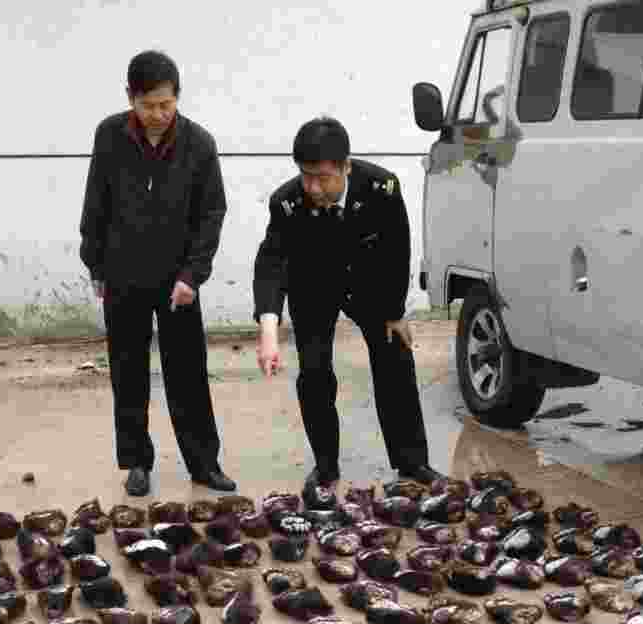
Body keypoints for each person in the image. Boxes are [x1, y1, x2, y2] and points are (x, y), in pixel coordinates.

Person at [252, 117, 447, 490]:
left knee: (395, 356)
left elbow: (396, 248)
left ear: (346, 166)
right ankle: (326, 464)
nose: (312, 187)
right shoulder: (287, 203)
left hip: (368, 286)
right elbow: (271, 264)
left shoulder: (382, 188)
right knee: (314, 373)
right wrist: (269, 332)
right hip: (313, 288)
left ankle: (412, 461)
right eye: (305, 176)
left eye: (323, 177)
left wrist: (394, 311)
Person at [79, 50, 237, 497]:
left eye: (166, 104)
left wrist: (193, 275)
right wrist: (96, 263)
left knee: (187, 374)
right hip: (122, 275)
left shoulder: (199, 145)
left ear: (177, 97)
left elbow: (211, 214)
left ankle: (204, 464)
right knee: (127, 372)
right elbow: (96, 203)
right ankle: (136, 462)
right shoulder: (109, 136)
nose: (157, 115)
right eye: (148, 105)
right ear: (131, 98)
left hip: (177, 282)